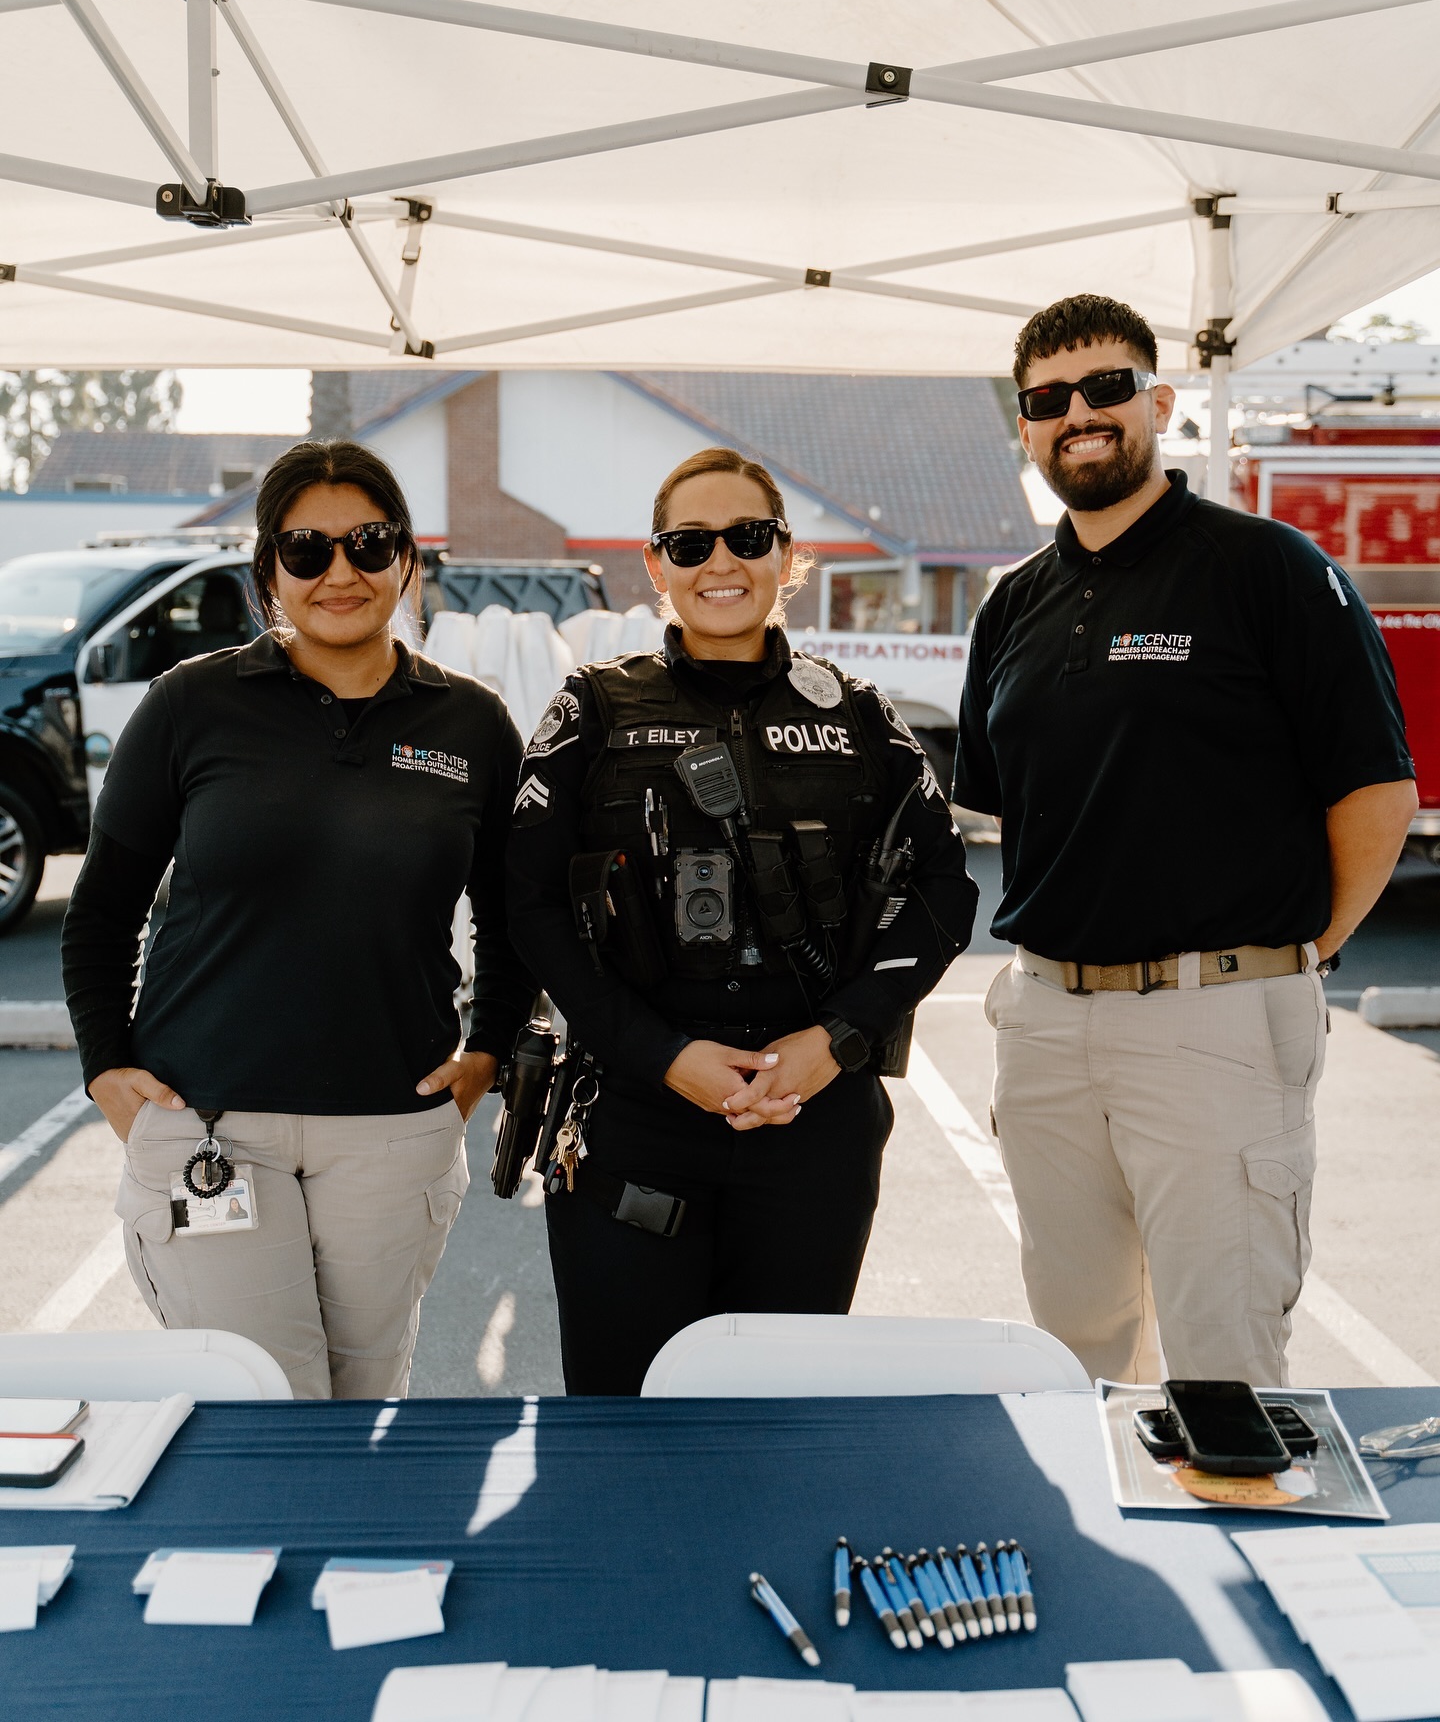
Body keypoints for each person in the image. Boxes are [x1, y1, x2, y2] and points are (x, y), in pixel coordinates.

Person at [953, 293, 1418, 1387]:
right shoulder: (1012, 602)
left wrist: (1293, 951)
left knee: (1225, 1374)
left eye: (1107, 387)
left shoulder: (1269, 568)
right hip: (1046, 1026)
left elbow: (1376, 793)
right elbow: (1015, 799)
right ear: (1025, 426)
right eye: (1048, 399)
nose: (1081, 413)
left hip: (1214, 1023)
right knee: (1080, 1359)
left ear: (1158, 401)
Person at [61, 439, 534, 1400]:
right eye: (306, 550)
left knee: (363, 1408)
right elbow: (102, 908)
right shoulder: (191, 704)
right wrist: (105, 1067)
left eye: (368, 543)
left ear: (406, 557)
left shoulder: (472, 724)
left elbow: (515, 912)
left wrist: (487, 1051)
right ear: (268, 570)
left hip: (393, 1129)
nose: (341, 572)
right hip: (209, 1127)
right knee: (262, 1406)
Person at [506, 445, 977, 1394]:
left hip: (812, 1114)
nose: (720, 563)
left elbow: (944, 891)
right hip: (638, 1114)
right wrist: (662, 1055)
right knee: (622, 1422)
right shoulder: (592, 710)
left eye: (747, 538)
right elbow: (530, 901)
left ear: (786, 556)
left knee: (781, 1423)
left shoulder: (859, 715)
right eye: (690, 543)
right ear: (656, 565)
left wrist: (836, 1042)